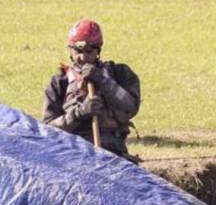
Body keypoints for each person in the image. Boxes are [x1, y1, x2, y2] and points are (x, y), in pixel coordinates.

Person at [42, 19, 142, 157]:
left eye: (88, 51)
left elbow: (129, 109)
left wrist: (103, 81)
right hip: (73, 154)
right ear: (70, 50)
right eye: (77, 51)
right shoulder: (59, 83)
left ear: (98, 50)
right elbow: (48, 129)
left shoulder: (120, 73)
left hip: (114, 153)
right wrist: (79, 113)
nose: (82, 57)